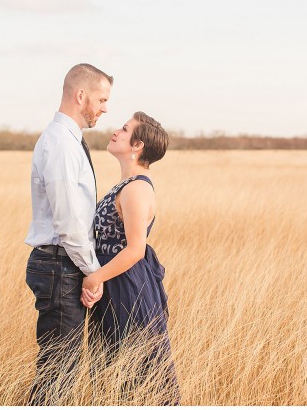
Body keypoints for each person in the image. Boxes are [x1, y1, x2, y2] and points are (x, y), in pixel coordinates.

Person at [24, 63, 113, 405]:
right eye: (102, 99)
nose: (105, 108)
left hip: (63, 265)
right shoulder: (61, 143)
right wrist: (93, 271)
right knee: (58, 374)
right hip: (60, 266)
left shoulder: (69, 140)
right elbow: (68, 222)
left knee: (61, 370)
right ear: (81, 95)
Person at [81, 111, 180, 405]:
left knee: (137, 373)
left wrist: (95, 277)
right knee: (114, 373)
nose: (116, 131)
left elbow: (135, 248)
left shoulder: (136, 188)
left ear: (137, 146)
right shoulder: (127, 183)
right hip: (116, 283)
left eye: (124, 130)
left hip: (127, 288)